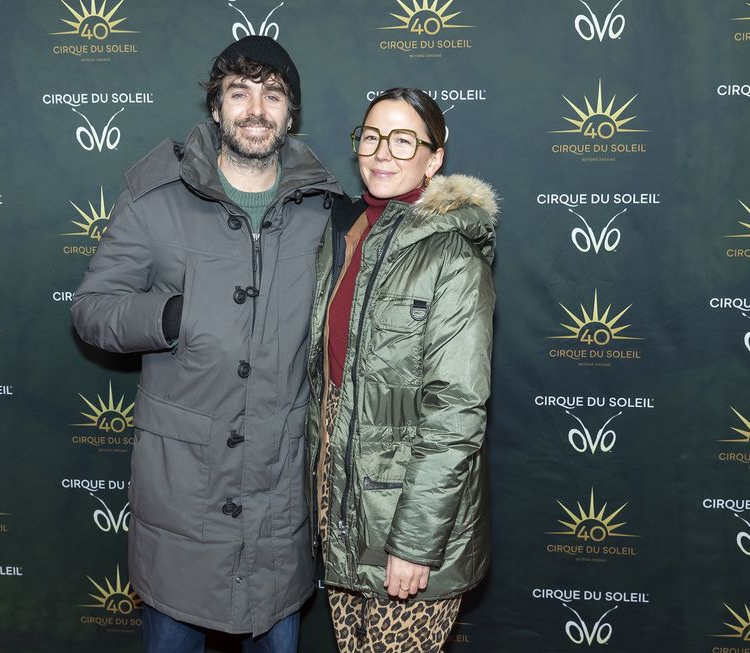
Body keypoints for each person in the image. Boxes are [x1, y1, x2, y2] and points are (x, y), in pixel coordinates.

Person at [71, 36, 342, 653]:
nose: (255, 108)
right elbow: (92, 310)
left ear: (290, 112)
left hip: (278, 499)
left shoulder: (322, 210)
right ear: (215, 108)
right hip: (183, 499)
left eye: (271, 95)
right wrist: (173, 315)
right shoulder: (155, 198)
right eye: (238, 92)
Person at [306, 88, 496, 651]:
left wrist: (414, 542)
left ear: (434, 157)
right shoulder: (344, 235)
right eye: (371, 136)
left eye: (403, 139)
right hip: (341, 502)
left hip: (412, 521)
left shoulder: (452, 255)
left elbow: (456, 410)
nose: (382, 152)